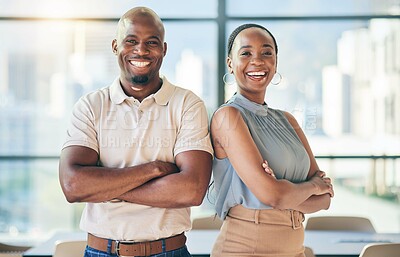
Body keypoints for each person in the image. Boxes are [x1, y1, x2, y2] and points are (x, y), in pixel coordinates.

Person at [58, 7, 213, 257]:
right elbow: (73, 185)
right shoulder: (90, 106)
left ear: (164, 49)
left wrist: (105, 188)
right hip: (101, 251)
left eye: (151, 42)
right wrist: (153, 170)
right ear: (115, 46)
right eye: (131, 41)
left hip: (168, 251)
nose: (141, 50)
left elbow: (192, 190)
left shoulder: (187, 104)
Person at [210, 23, 334, 257]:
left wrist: (284, 192)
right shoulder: (228, 117)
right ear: (230, 63)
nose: (257, 61)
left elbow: (325, 199)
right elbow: (275, 196)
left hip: (295, 248)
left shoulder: (288, 120)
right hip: (246, 247)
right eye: (246, 53)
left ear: (275, 62)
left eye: (267, 53)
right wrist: (312, 186)